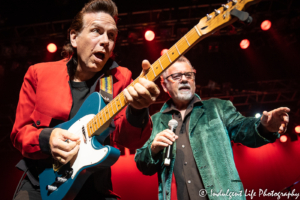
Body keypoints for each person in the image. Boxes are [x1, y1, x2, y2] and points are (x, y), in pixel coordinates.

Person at [10, 0, 160, 199]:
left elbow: (130, 141)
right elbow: (19, 133)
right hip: (40, 183)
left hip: (93, 186)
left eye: (111, 35)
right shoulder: (38, 73)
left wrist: (138, 111)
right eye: (96, 31)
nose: (106, 40)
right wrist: (47, 139)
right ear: (74, 37)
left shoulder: (121, 78)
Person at [134, 56, 290, 200]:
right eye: (176, 76)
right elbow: (142, 163)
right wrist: (153, 149)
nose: (184, 80)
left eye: (189, 75)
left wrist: (265, 126)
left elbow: (244, 128)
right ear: (164, 85)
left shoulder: (218, 108)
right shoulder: (153, 122)